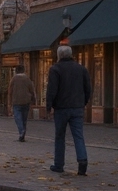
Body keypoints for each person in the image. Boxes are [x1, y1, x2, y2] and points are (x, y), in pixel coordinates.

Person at [45, 44, 91, 175]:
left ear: (59, 55)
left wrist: (49, 106)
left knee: (60, 136)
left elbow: (52, 90)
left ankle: (59, 164)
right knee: (78, 136)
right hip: (77, 108)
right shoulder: (81, 69)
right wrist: (83, 102)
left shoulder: (55, 69)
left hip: (61, 108)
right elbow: (88, 88)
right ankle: (82, 163)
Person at [9, 65, 36, 142]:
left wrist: (9, 102)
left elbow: (10, 91)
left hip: (16, 101)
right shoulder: (27, 79)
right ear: (23, 70)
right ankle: (22, 134)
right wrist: (33, 99)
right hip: (26, 101)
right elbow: (32, 90)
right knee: (24, 119)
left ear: (16, 71)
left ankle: (21, 131)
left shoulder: (14, 79)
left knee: (18, 117)